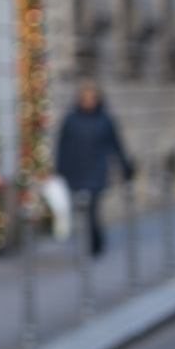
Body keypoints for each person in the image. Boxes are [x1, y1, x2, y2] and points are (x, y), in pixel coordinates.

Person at [55, 79, 133, 255]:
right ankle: (93, 240)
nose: (88, 101)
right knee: (82, 208)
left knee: (92, 208)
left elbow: (116, 144)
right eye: (85, 97)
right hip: (76, 170)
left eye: (92, 97)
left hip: (97, 169)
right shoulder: (71, 119)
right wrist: (59, 169)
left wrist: (125, 167)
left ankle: (95, 242)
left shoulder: (104, 119)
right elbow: (62, 145)